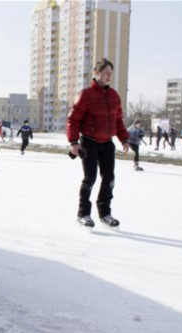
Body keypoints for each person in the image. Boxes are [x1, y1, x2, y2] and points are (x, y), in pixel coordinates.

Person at [66, 58, 129, 228]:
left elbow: (118, 121)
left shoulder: (114, 96)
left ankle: (105, 213)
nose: (109, 76)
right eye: (106, 73)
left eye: (111, 73)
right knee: (90, 178)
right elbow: (73, 120)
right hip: (89, 142)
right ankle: (83, 213)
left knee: (109, 179)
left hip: (107, 144)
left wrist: (124, 138)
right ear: (97, 73)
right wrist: (73, 142)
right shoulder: (85, 95)